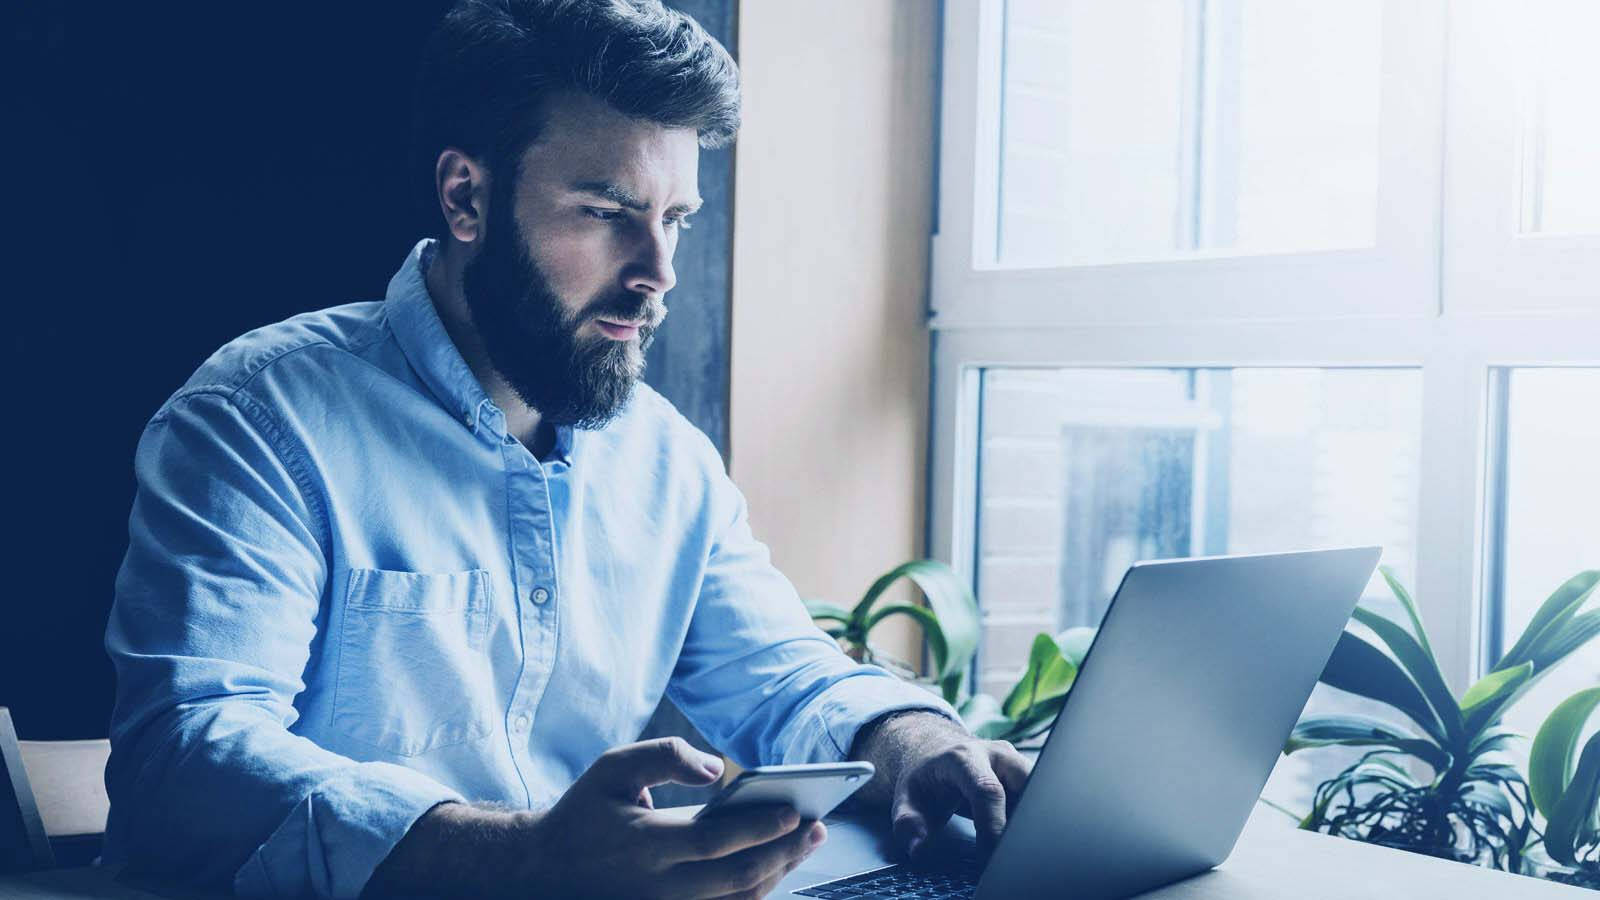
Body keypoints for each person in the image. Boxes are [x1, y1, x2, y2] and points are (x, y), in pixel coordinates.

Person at [103, 1, 1030, 897]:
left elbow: (781, 673)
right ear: (467, 196)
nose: (658, 272)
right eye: (605, 212)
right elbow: (185, 754)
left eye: (676, 220)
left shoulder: (667, 459)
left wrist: (912, 740)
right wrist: (519, 859)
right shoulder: (257, 419)